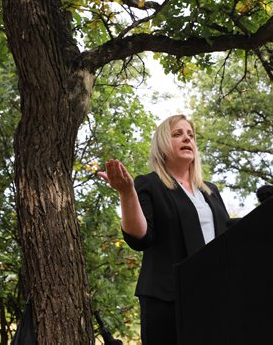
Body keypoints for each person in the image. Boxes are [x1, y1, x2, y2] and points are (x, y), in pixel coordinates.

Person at [98, 114, 229, 345]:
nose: (187, 139)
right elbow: (140, 238)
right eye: (177, 134)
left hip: (214, 296)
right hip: (168, 300)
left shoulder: (211, 191)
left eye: (190, 135)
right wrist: (127, 192)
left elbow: (227, 240)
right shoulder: (149, 184)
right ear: (162, 144)